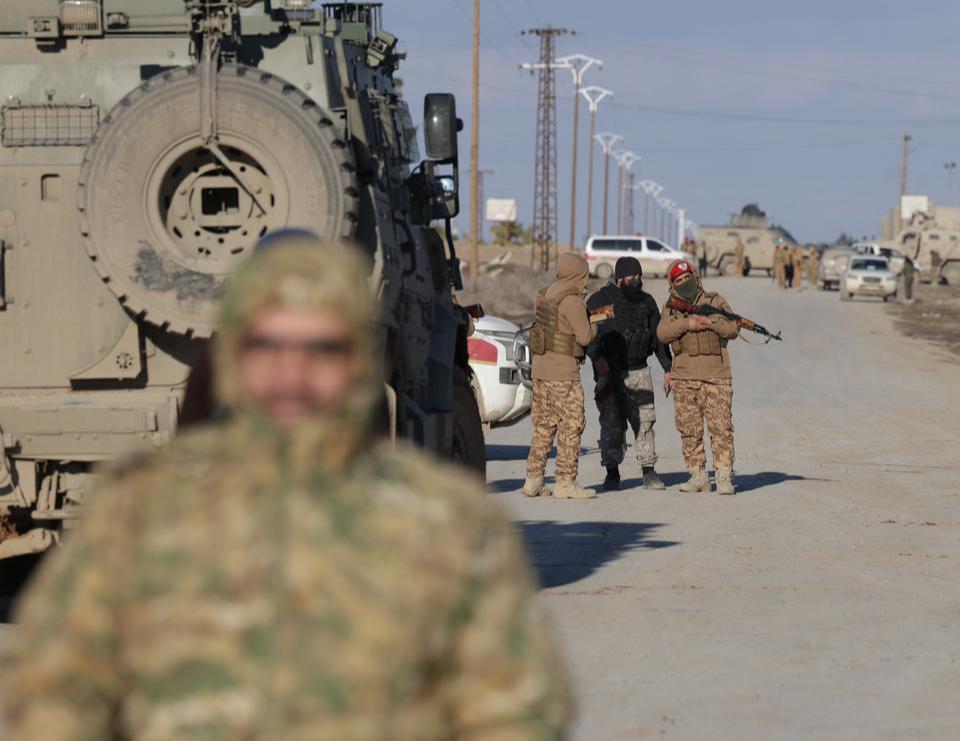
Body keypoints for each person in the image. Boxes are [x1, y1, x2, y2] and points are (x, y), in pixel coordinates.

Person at [6, 237, 570, 739]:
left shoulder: (447, 524)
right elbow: (54, 700)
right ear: (230, 355)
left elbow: (515, 713)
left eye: (321, 348)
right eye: (266, 346)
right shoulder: (141, 512)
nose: (292, 372)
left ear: (357, 359)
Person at [587, 256, 673, 491]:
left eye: (638, 276)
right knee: (611, 424)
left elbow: (658, 338)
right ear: (618, 278)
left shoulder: (646, 302)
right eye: (630, 277)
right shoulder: (599, 301)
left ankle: (649, 472)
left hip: (639, 371)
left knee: (644, 422)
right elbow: (589, 336)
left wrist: (668, 368)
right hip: (610, 374)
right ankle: (612, 473)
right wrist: (597, 358)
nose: (636, 280)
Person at [656, 260, 739, 495]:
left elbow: (733, 329)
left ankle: (723, 476)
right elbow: (662, 334)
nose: (684, 283)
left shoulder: (715, 300)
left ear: (695, 276)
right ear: (672, 285)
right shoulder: (671, 308)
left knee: (721, 428)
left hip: (716, 376)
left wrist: (711, 323)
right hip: (684, 377)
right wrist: (688, 323)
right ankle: (698, 476)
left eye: (686, 278)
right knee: (689, 429)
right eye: (678, 281)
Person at [526, 252, 598, 499]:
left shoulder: (546, 295)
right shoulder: (573, 301)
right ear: (578, 274)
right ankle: (566, 483)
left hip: (541, 371)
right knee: (571, 425)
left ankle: (533, 479)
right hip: (564, 374)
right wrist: (596, 323)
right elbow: (584, 337)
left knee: (543, 426)